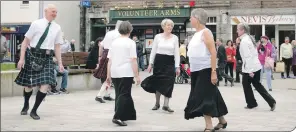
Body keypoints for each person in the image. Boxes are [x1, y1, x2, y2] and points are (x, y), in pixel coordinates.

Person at [14, 4, 64, 120]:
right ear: (46, 11)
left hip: (47, 57)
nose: (55, 14)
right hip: (33, 55)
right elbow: (25, 42)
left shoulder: (57, 27)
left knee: (45, 84)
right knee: (29, 85)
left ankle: (34, 110)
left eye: (56, 12)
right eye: (53, 11)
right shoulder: (36, 24)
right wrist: (21, 59)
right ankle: (26, 104)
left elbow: (57, 47)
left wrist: (60, 63)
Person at [184, 8, 228, 132]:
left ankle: (209, 125)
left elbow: (213, 52)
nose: (190, 19)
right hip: (196, 70)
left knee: (203, 96)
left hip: (206, 69)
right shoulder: (196, 34)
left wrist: (213, 72)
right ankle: (222, 121)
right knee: (212, 94)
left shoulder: (206, 32)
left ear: (197, 19)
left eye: (191, 17)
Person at [141, 18, 180, 113]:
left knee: (169, 82)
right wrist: (150, 63)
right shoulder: (158, 37)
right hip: (159, 61)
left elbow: (177, 53)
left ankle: (166, 104)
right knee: (158, 82)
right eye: (168, 25)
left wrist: (177, 66)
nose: (170, 27)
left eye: (171, 25)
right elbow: (153, 51)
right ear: (163, 26)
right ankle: (157, 103)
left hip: (170, 61)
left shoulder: (175, 38)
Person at [106, 21, 140, 126]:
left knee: (118, 93)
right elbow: (133, 60)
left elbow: (110, 60)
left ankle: (122, 114)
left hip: (115, 71)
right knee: (124, 94)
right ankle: (118, 116)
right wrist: (137, 75)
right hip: (126, 71)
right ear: (130, 30)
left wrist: (108, 75)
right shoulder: (131, 43)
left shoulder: (114, 42)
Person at [237, 23, 276, 111]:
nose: (237, 31)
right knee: (257, 85)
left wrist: (250, 71)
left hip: (250, 68)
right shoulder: (249, 38)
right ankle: (270, 101)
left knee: (246, 84)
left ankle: (252, 103)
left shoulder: (244, 41)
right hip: (256, 66)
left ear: (243, 30)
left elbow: (248, 57)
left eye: (238, 29)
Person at [93, 20, 122, 103]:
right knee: (108, 76)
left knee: (108, 75)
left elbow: (101, 45)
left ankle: (107, 95)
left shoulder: (109, 33)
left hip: (105, 54)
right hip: (112, 54)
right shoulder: (119, 35)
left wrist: (99, 57)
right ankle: (99, 95)